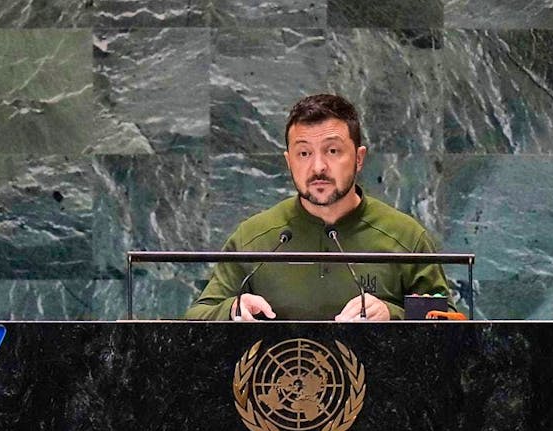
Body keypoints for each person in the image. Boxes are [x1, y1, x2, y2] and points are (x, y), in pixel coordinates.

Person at [184, 93, 451, 321]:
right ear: (289, 161)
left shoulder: (405, 236)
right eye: (304, 153)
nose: (318, 167)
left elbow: (451, 321)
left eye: (332, 151)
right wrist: (233, 309)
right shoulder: (253, 238)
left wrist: (391, 314)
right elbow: (196, 316)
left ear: (359, 158)